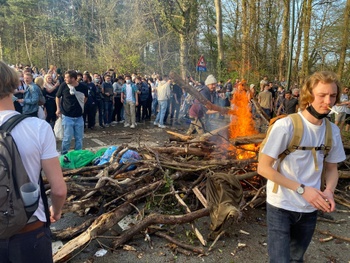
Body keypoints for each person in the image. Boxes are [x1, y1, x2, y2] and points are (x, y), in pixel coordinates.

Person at [258, 71, 346, 262]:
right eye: (322, 95)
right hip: (281, 205)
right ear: (308, 95)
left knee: (296, 258)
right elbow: (263, 168)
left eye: (332, 96)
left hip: (309, 209)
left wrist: (329, 191)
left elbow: (331, 169)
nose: (328, 101)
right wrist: (302, 189)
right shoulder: (286, 126)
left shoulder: (333, 131)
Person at [0, 60, 67, 262]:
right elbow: (59, 189)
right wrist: (56, 210)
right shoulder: (37, 127)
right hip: (29, 229)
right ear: (14, 86)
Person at [56, 70, 88, 155]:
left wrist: (81, 105)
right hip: (67, 116)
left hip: (79, 116)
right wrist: (58, 108)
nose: (65, 79)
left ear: (73, 78)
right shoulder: (63, 85)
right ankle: (64, 155)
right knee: (67, 138)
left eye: (67, 77)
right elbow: (57, 97)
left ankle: (77, 155)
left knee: (79, 138)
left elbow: (86, 97)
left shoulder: (83, 87)